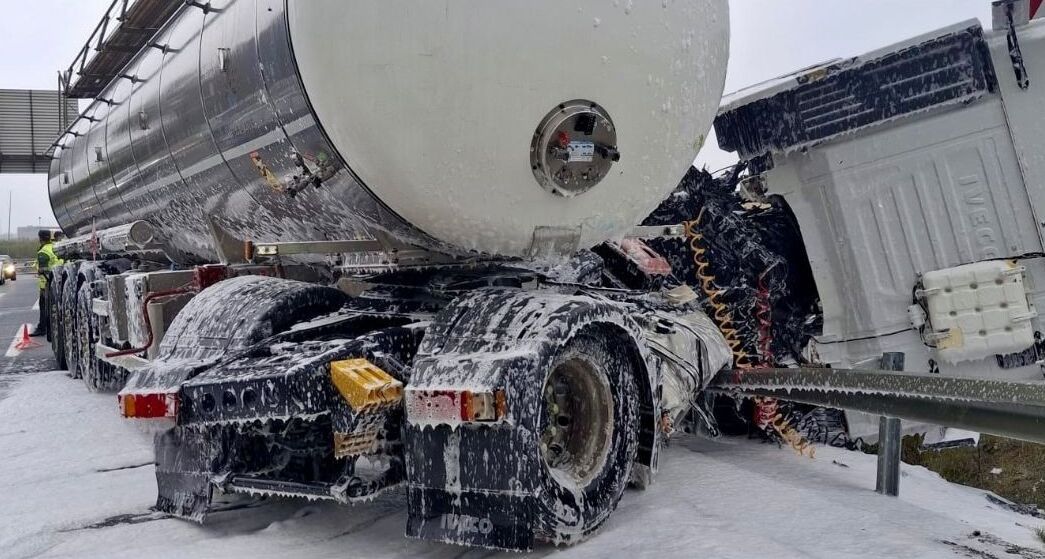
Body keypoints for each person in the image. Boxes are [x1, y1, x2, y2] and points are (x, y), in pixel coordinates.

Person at [31, 230, 62, 337]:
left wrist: (39, 271)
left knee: (44, 307)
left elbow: (43, 269)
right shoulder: (55, 247)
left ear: (40, 238)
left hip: (46, 283)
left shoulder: (43, 252)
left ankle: (42, 328)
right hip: (57, 279)